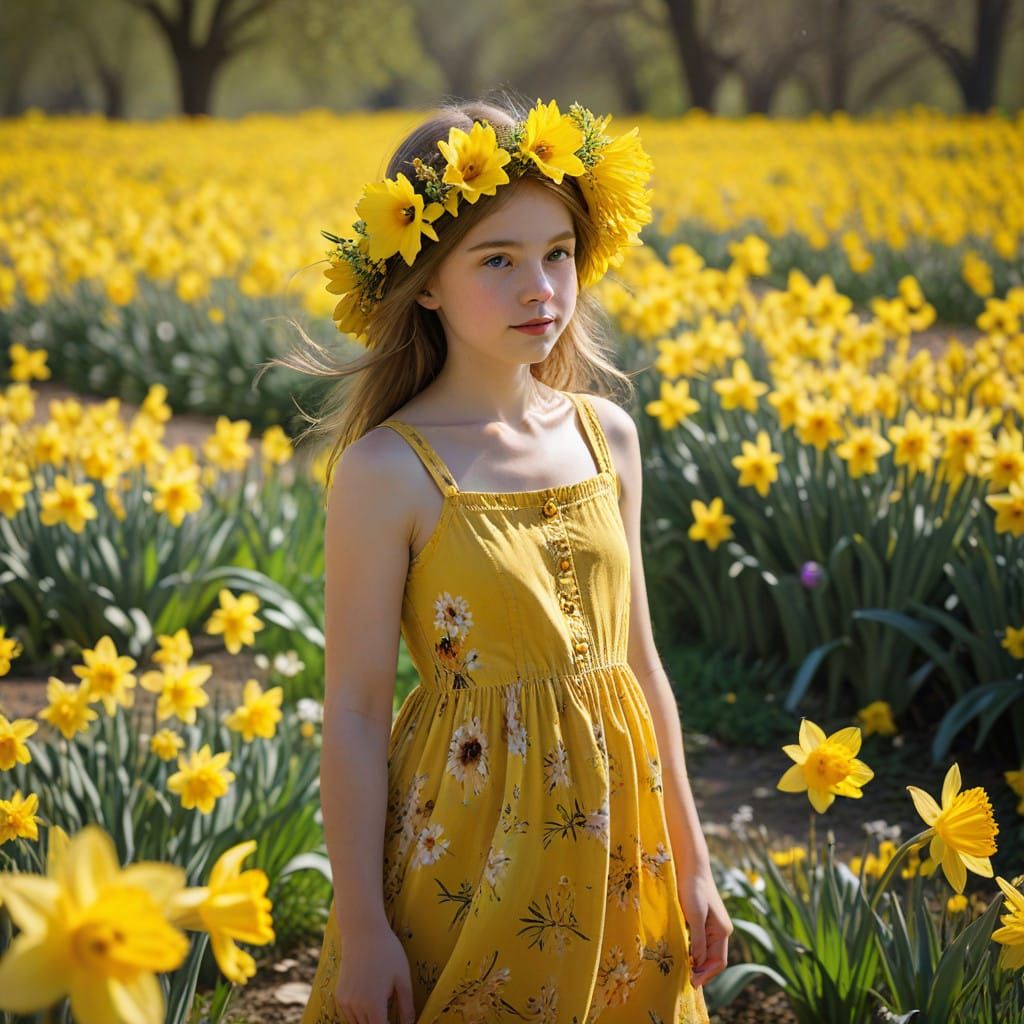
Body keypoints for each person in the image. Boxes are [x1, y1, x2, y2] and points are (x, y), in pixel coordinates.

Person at [274, 92, 731, 1024]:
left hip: (621, 846)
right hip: (470, 846)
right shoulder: (386, 470)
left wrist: (695, 863)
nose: (542, 291)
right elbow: (357, 712)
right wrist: (360, 924)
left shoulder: (609, 435)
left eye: (559, 254)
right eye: (499, 260)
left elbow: (641, 664)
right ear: (426, 282)